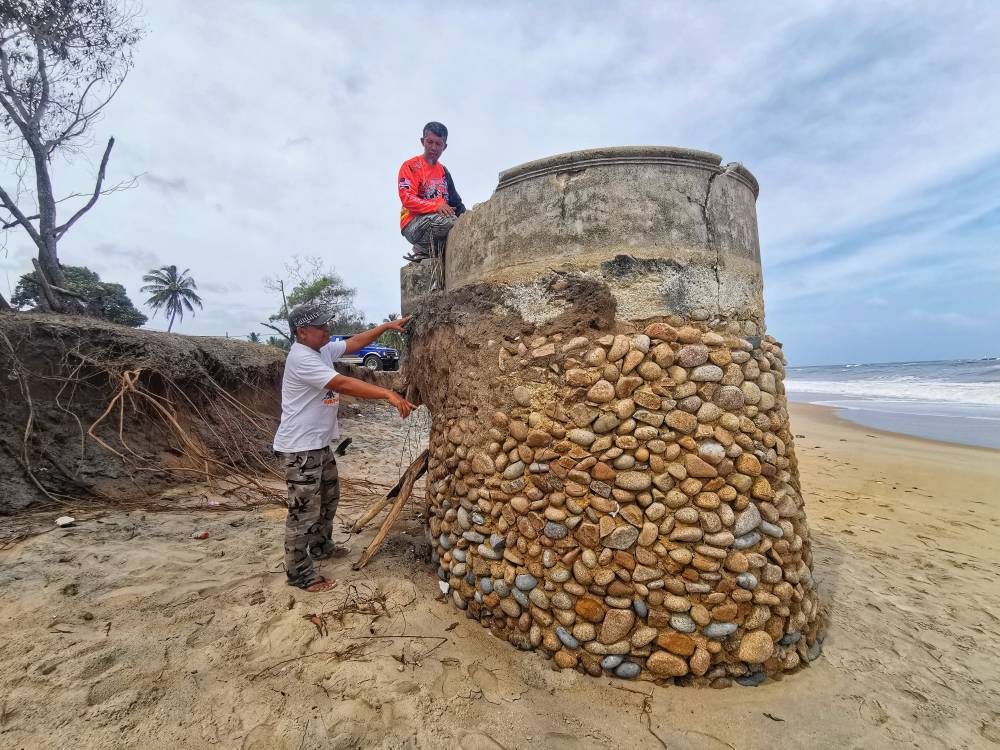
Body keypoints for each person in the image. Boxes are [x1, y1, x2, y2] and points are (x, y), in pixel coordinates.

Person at [273, 303, 416, 592]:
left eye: (327, 324)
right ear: (302, 332)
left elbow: (354, 343)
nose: (327, 329)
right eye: (320, 326)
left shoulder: (321, 349)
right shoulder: (302, 358)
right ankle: (299, 573)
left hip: (318, 445)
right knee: (303, 511)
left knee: (329, 497)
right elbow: (342, 383)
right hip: (300, 449)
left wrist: (385, 327)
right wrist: (387, 393)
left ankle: (321, 546)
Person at [398, 121, 466, 262]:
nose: (433, 147)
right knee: (450, 221)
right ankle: (422, 248)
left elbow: (456, 203)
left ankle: (434, 251)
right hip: (412, 223)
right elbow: (407, 198)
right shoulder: (410, 166)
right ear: (422, 141)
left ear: (444, 147)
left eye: (438, 144)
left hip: (441, 219)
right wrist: (436, 206)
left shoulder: (444, 172)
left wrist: (468, 218)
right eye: (430, 142)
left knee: (463, 224)